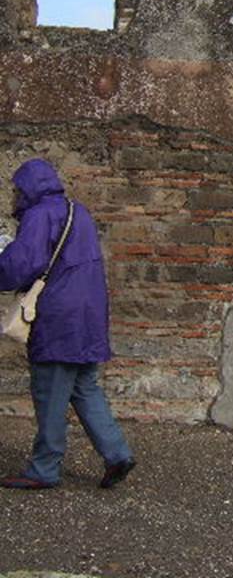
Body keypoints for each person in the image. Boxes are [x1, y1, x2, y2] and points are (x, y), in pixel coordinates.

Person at [0, 158, 134, 490]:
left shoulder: (39, 215)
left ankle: (44, 468)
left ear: (28, 188)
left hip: (58, 316)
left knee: (49, 392)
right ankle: (117, 453)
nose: (15, 195)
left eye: (17, 189)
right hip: (89, 314)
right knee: (84, 386)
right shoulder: (78, 212)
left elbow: (23, 263)